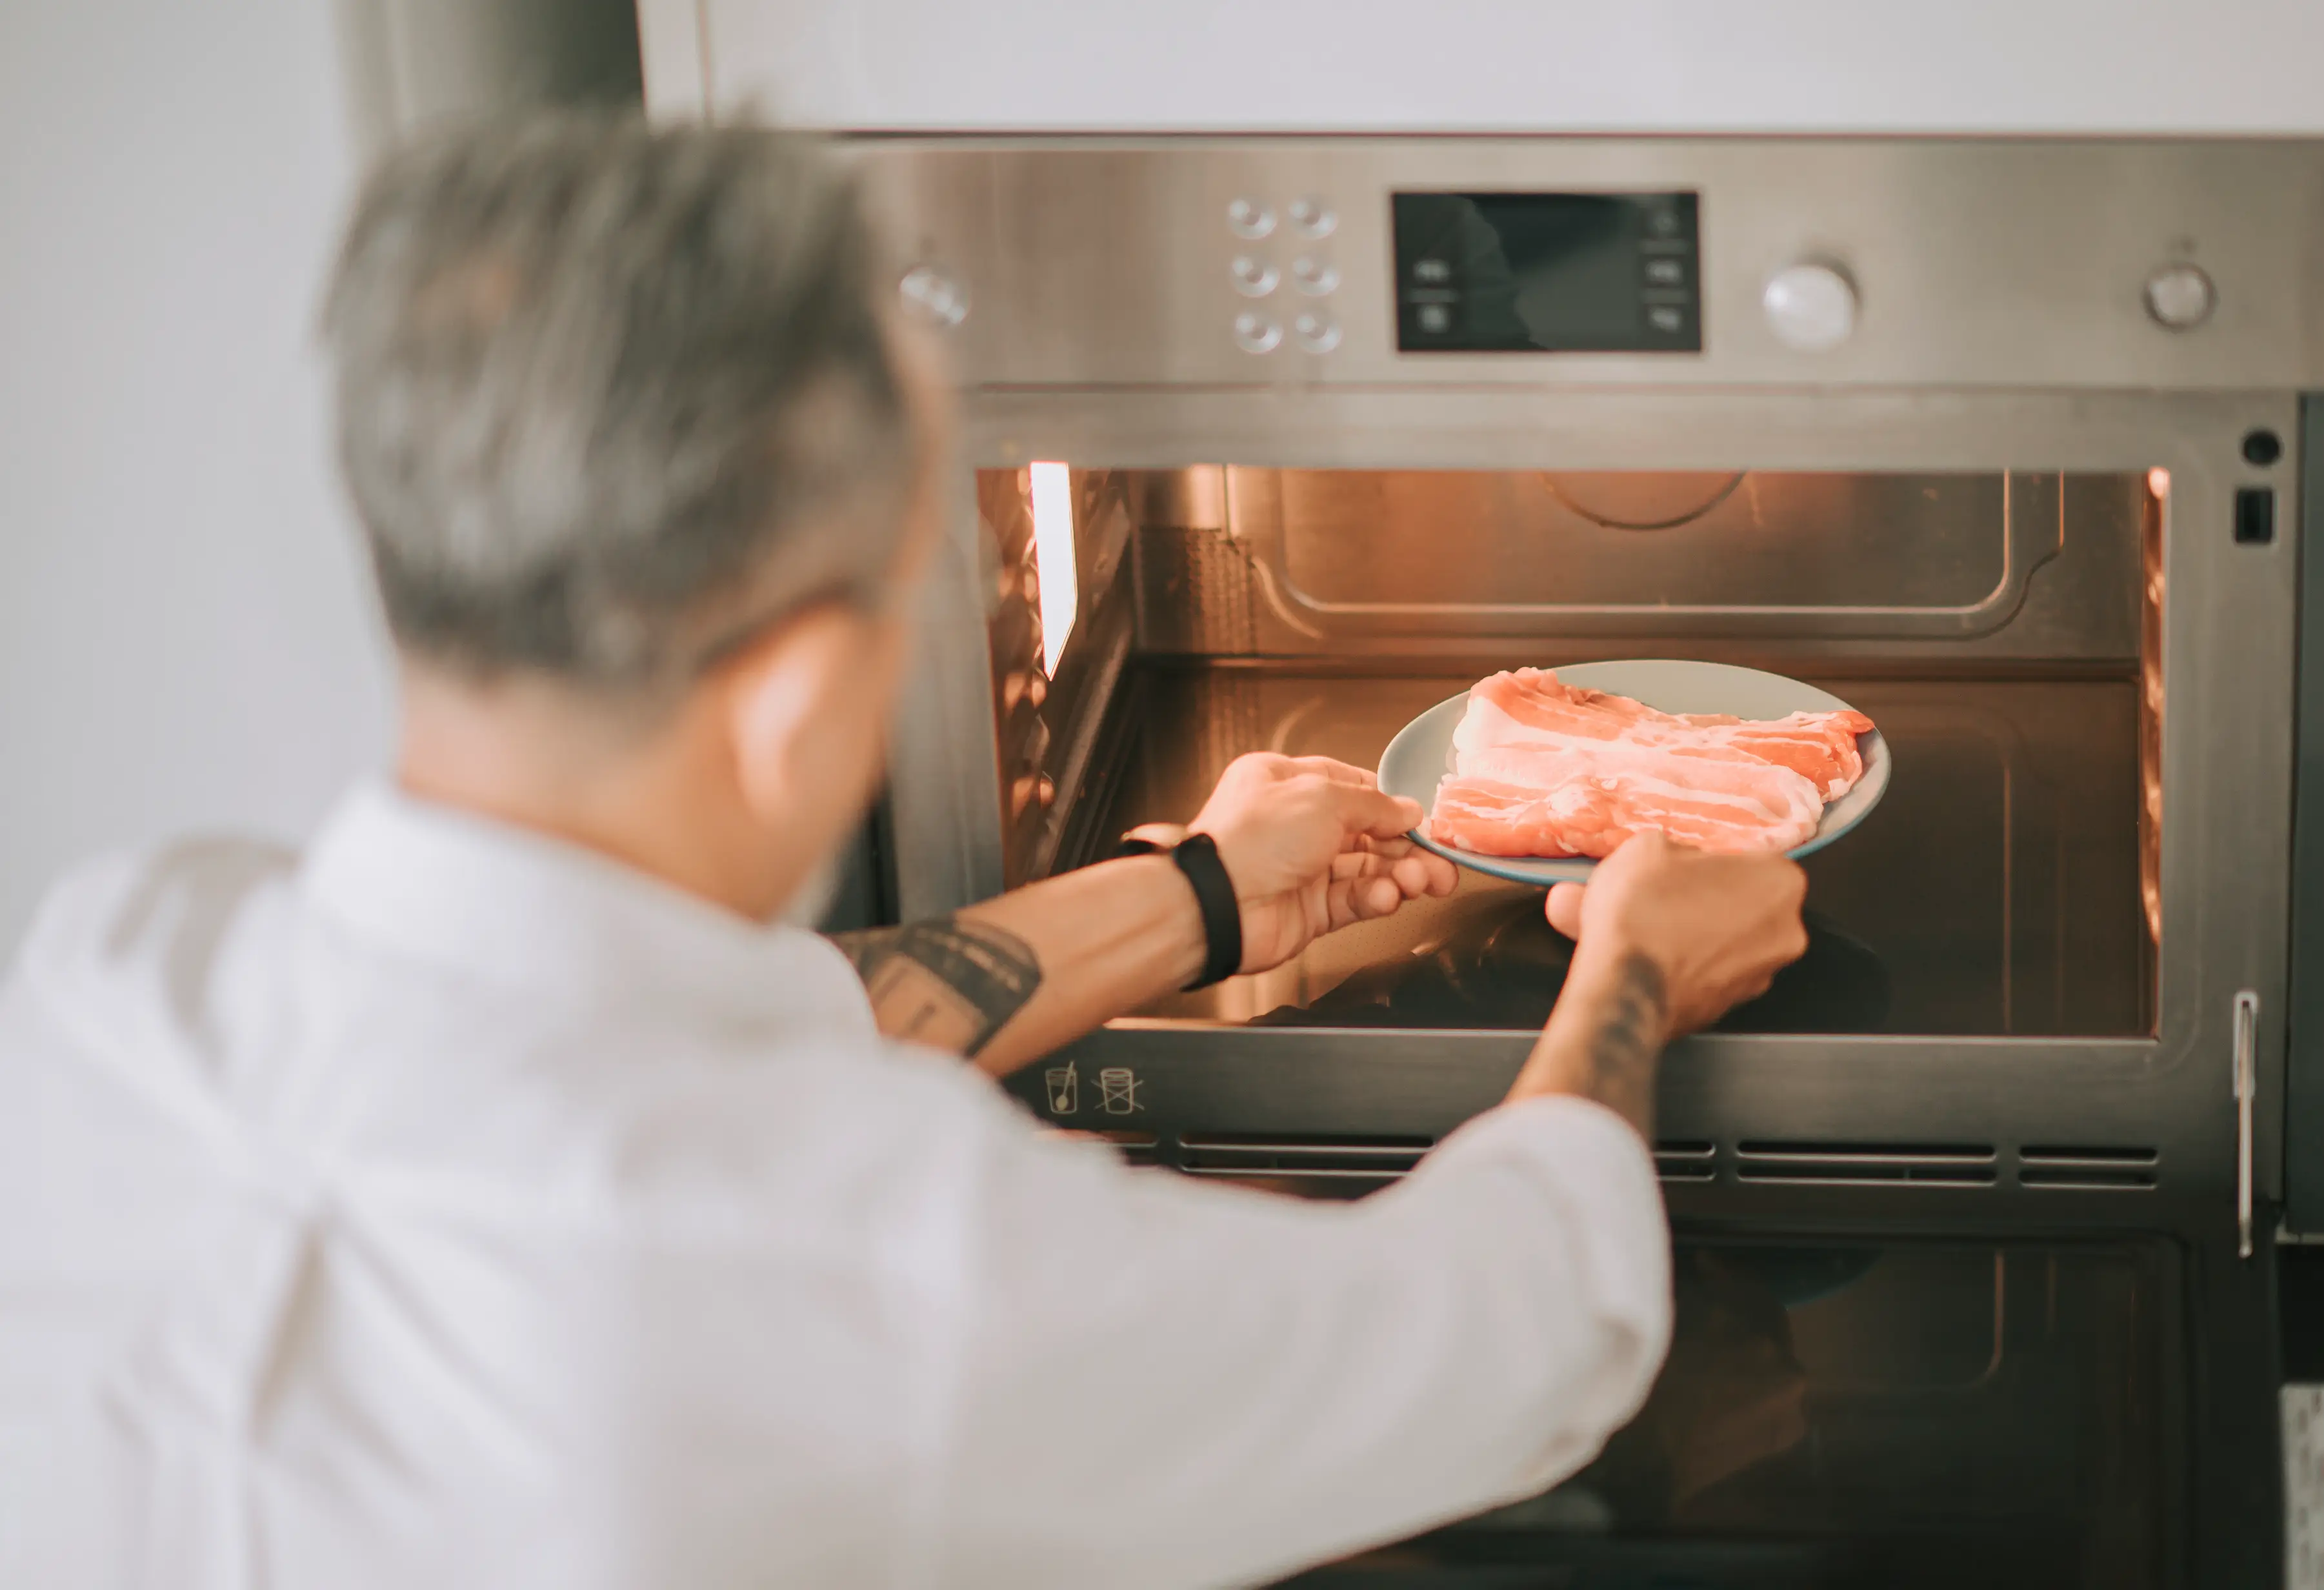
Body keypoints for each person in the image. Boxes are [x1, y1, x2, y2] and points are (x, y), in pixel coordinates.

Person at [0, 117, 1807, 1589]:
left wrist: (1197, 893)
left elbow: (647, 1049)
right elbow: (1503, 1345)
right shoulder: (880, 1279)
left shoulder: (116, 969)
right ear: (792, 700)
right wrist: (1636, 963)